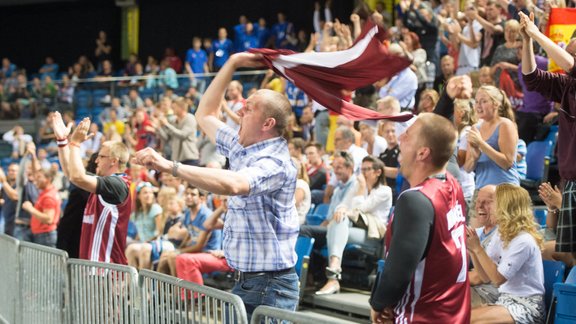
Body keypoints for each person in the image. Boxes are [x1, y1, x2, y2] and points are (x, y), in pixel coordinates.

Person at [133, 52, 299, 318]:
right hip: (248, 281)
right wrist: (232, 63)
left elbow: (234, 184)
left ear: (268, 124)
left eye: (250, 107)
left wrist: (169, 166)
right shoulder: (242, 147)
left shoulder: (277, 161)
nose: (241, 108)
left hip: (271, 286)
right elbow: (205, 114)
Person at [369, 113, 470, 323]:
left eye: (407, 135)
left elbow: (398, 271)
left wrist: (379, 302)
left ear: (423, 152)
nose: (400, 138)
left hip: (423, 315)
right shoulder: (453, 185)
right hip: (454, 312)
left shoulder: (416, 200)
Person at [520, 11, 576, 253]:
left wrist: (536, 32)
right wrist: (527, 40)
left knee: (568, 255)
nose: (568, 56)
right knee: (568, 254)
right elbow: (531, 78)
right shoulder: (566, 85)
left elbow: (570, 65)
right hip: (570, 180)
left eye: (573, 52)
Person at [51, 112, 132, 264]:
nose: (96, 161)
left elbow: (77, 177)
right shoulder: (103, 183)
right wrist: (62, 141)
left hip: (109, 270)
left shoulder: (118, 185)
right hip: (93, 267)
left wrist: (75, 144)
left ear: (113, 161)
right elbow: (71, 173)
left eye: (101, 157)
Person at [467, 184, 545, 323]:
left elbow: (497, 279)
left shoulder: (523, 240)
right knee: (463, 316)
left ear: (506, 208)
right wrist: (473, 249)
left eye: (493, 203)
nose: (489, 208)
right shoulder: (501, 233)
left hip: (526, 306)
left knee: (469, 319)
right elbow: (485, 277)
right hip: (505, 300)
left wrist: (478, 248)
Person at [469, 185, 499, 307]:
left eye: (487, 202)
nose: (479, 206)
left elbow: (479, 278)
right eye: (478, 201)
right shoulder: (479, 232)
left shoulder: (502, 235)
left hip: (492, 297)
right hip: (478, 291)